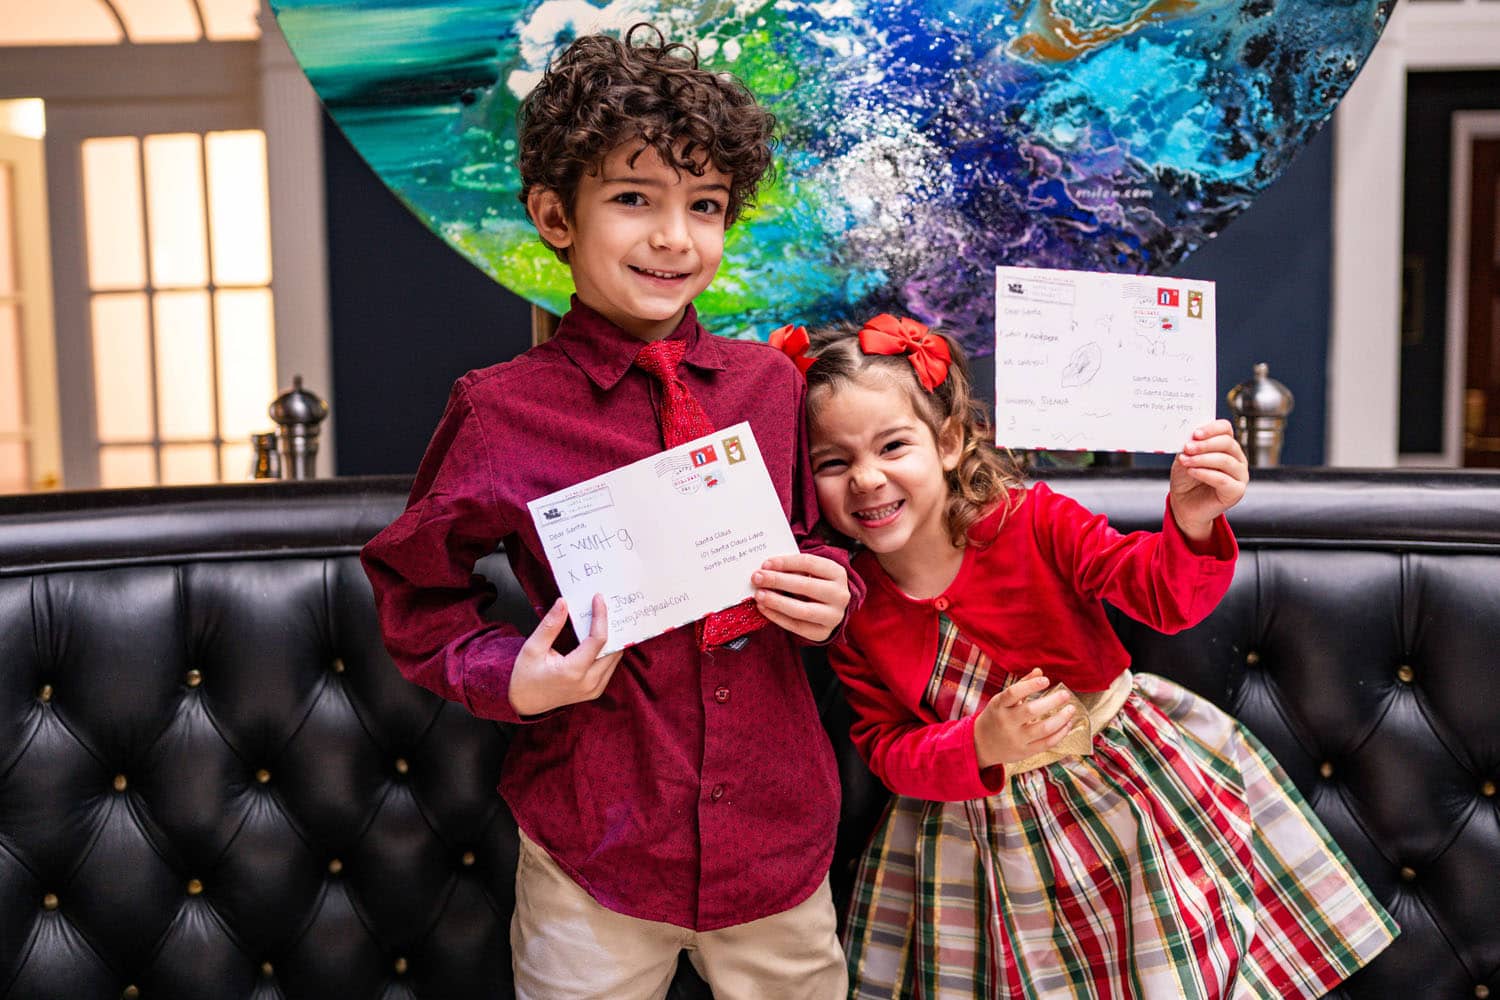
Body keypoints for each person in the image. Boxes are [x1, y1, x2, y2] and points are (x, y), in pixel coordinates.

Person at [360, 27, 859, 1000]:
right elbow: (415, 596)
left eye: (705, 207)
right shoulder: (500, 410)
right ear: (556, 213)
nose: (676, 238)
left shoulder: (769, 386)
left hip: (778, 841)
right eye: (635, 199)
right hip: (596, 841)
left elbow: (834, 544)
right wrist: (516, 677)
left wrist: (835, 588)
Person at [786, 314, 1397, 998]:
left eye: (893, 446)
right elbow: (887, 747)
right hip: (978, 847)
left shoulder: (1035, 521)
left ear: (950, 441)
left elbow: (1163, 596)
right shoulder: (851, 606)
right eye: (833, 462)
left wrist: (1192, 520)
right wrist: (979, 742)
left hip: (1125, 804)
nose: (867, 479)